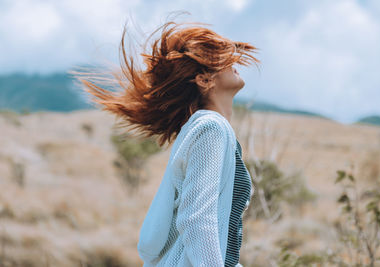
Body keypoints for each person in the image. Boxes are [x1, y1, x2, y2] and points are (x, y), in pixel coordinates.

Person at [72, 15, 260, 267]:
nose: (234, 61)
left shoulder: (201, 128)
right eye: (221, 59)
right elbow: (197, 220)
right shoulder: (211, 129)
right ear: (204, 80)